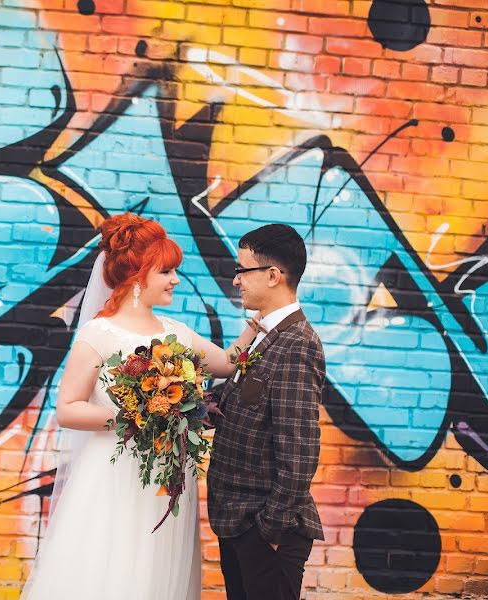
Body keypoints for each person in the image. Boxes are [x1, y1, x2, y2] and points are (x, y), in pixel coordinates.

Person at [21, 213, 260, 599]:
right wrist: (133, 415)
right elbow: (68, 408)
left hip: (165, 479)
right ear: (137, 276)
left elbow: (229, 363)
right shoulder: (98, 334)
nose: (175, 280)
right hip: (115, 478)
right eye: (166, 271)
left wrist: (257, 323)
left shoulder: (175, 332)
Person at [207, 224, 326, 600]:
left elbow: (300, 450)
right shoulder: (265, 335)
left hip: (264, 530)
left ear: (273, 276)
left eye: (243, 270)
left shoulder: (296, 344)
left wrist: (269, 530)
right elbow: (239, 408)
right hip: (240, 521)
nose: (237, 280)